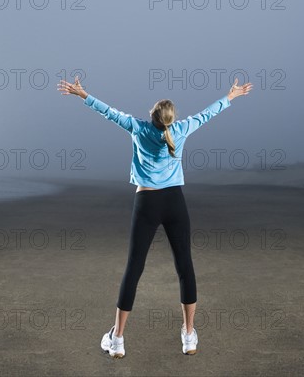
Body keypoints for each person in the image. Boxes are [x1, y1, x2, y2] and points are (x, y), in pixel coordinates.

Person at [57, 76, 253, 357]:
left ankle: (118, 339)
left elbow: (109, 112)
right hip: (174, 202)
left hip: (146, 201)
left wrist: (82, 94)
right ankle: (188, 335)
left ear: (153, 116)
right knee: (185, 266)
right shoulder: (182, 129)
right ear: (172, 119)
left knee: (133, 269)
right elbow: (207, 114)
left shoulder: (137, 127)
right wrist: (231, 96)